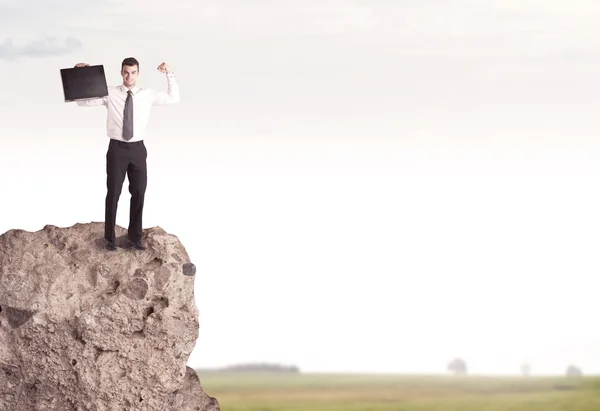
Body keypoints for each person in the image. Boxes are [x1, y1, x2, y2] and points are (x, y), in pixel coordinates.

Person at [74, 57, 180, 251]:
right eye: (125, 72)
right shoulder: (110, 92)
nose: (129, 76)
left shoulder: (147, 94)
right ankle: (109, 239)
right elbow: (82, 102)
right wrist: (82, 75)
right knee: (113, 193)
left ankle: (134, 238)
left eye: (132, 72)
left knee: (139, 192)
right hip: (117, 149)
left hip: (138, 149)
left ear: (137, 73)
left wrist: (169, 73)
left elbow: (174, 98)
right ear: (121, 72)